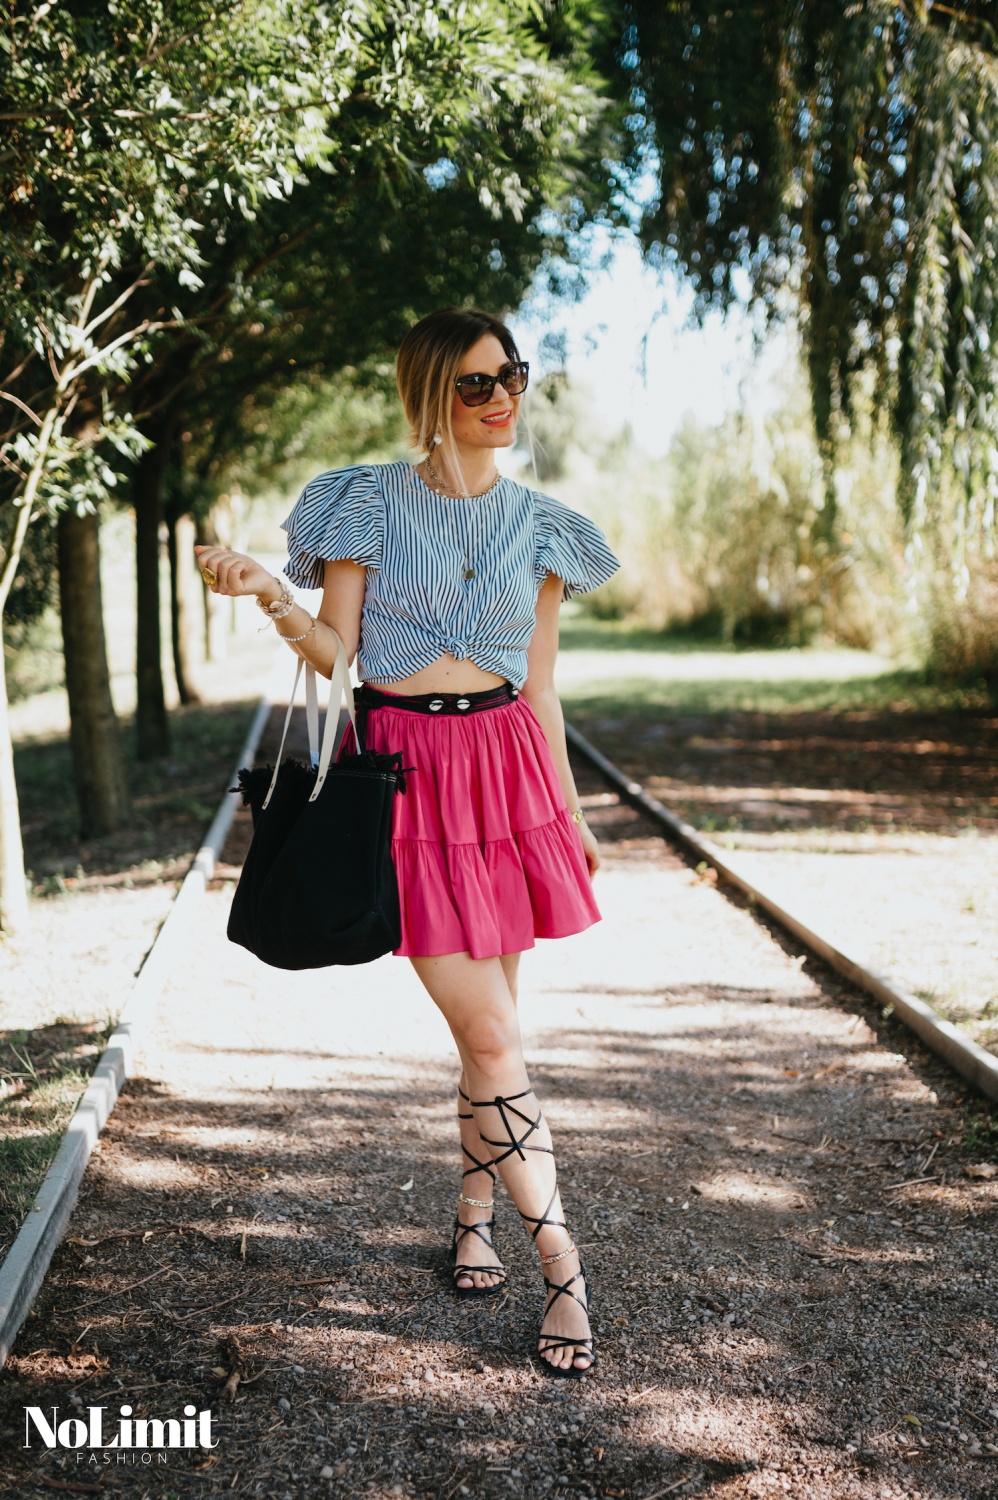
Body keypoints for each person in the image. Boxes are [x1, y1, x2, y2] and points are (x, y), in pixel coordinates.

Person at [195, 306, 620, 1378]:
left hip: (508, 778)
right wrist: (270, 593)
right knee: (493, 1037)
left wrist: (572, 818)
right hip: (407, 780)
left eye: (512, 376)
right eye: (477, 382)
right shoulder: (364, 503)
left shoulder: (544, 527)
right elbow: (336, 651)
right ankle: (564, 1269)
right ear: (430, 393)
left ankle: (473, 1220)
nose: (502, 397)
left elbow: (541, 690)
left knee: (493, 1035)